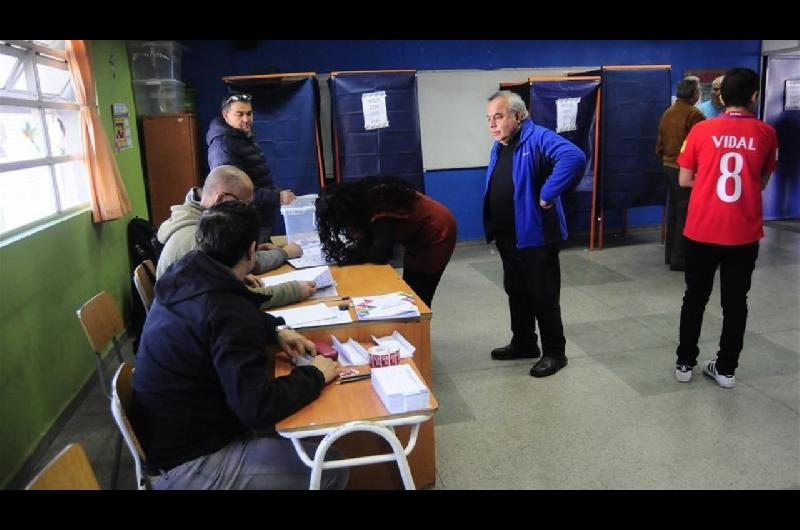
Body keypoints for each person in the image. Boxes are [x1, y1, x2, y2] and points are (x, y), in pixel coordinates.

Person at [132, 200, 348, 489]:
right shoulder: (227, 311)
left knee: (300, 427)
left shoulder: (187, 274)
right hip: (190, 461)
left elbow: (216, 320)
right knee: (331, 467)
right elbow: (257, 409)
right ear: (252, 250)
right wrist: (315, 374)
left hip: (170, 433)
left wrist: (274, 330)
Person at [674, 68, 778, 389]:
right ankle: (727, 369)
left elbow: (685, 179)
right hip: (743, 234)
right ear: (754, 96)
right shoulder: (766, 133)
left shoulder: (702, 130)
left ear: (719, 96)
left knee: (695, 297)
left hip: (702, 230)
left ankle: (685, 362)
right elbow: (761, 182)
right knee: (735, 302)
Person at [484, 91, 586, 378]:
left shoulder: (538, 137)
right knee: (516, 291)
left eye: (499, 116)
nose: (492, 124)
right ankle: (524, 342)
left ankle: (555, 352)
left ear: (519, 115)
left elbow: (573, 156)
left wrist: (548, 192)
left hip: (535, 235)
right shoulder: (501, 144)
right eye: (489, 118)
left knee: (543, 294)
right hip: (508, 234)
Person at [156, 165, 314, 309]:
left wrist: (237, 275)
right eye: (243, 204)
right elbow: (235, 301)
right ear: (221, 198)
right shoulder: (196, 239)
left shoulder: (198, 222)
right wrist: (294, 290)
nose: (245, 211)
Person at [315, 176, 457, 308]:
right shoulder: (362, 199)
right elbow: (367, 239)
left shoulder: (381, 208)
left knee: (419, 296)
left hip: (437, 232)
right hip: (417, 233)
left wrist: (352, 254)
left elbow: (381, 254)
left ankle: (418, 329)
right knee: (409, 292)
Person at [207, 92, 296, 243]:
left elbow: (256, 178)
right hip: (244, 225)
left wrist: (275, 192)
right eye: (239, 114)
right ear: (226, 115)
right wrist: (276, 197)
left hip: (257, 220)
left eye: (249, 113)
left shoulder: (242, 137)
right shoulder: (223, 146)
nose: (246, 119)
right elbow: (233, 192)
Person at [656, 76, 706, 271]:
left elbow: (659, 144)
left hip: (667, 166)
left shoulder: (668, 112)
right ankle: (680, 259)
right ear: (695, 93)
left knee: (674, 212)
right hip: (684, 169)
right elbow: (699, 146)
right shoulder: (694, 114)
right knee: (685, 213)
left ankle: (670, 255)